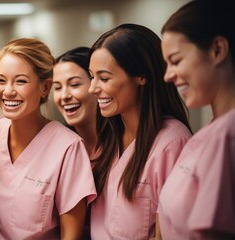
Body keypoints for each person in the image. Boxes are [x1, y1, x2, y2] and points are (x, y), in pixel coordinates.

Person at [0, 38, 96, 239]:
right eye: (1, 80)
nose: (8, 91)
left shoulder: (68, 148)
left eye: (21, 81)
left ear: (45, 88)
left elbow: (71, 235)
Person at [87, 23, 192, 239]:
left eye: (104, 78)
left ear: (141, 76)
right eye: (91, 76)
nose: (92, 88)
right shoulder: (109, 138)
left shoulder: (173, 143)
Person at [158, 1, 235, 239]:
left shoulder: (227, 134)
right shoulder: (214, 129)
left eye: (176, 60)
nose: (168, 75)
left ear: (217, 50)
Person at [53, 46, 98, 160]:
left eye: (74, 84)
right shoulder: (58, 150)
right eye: (57, 87)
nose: (64, 96)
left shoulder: (125, 146)